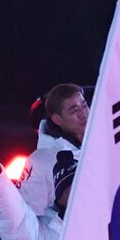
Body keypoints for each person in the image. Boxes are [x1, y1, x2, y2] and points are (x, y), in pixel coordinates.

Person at [18, 84, 88, 216]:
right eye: (74, 111)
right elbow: (25, 219)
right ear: (57, 119)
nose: (83, 113)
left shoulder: (107, 142)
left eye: (84, 106)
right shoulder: (42, 161)